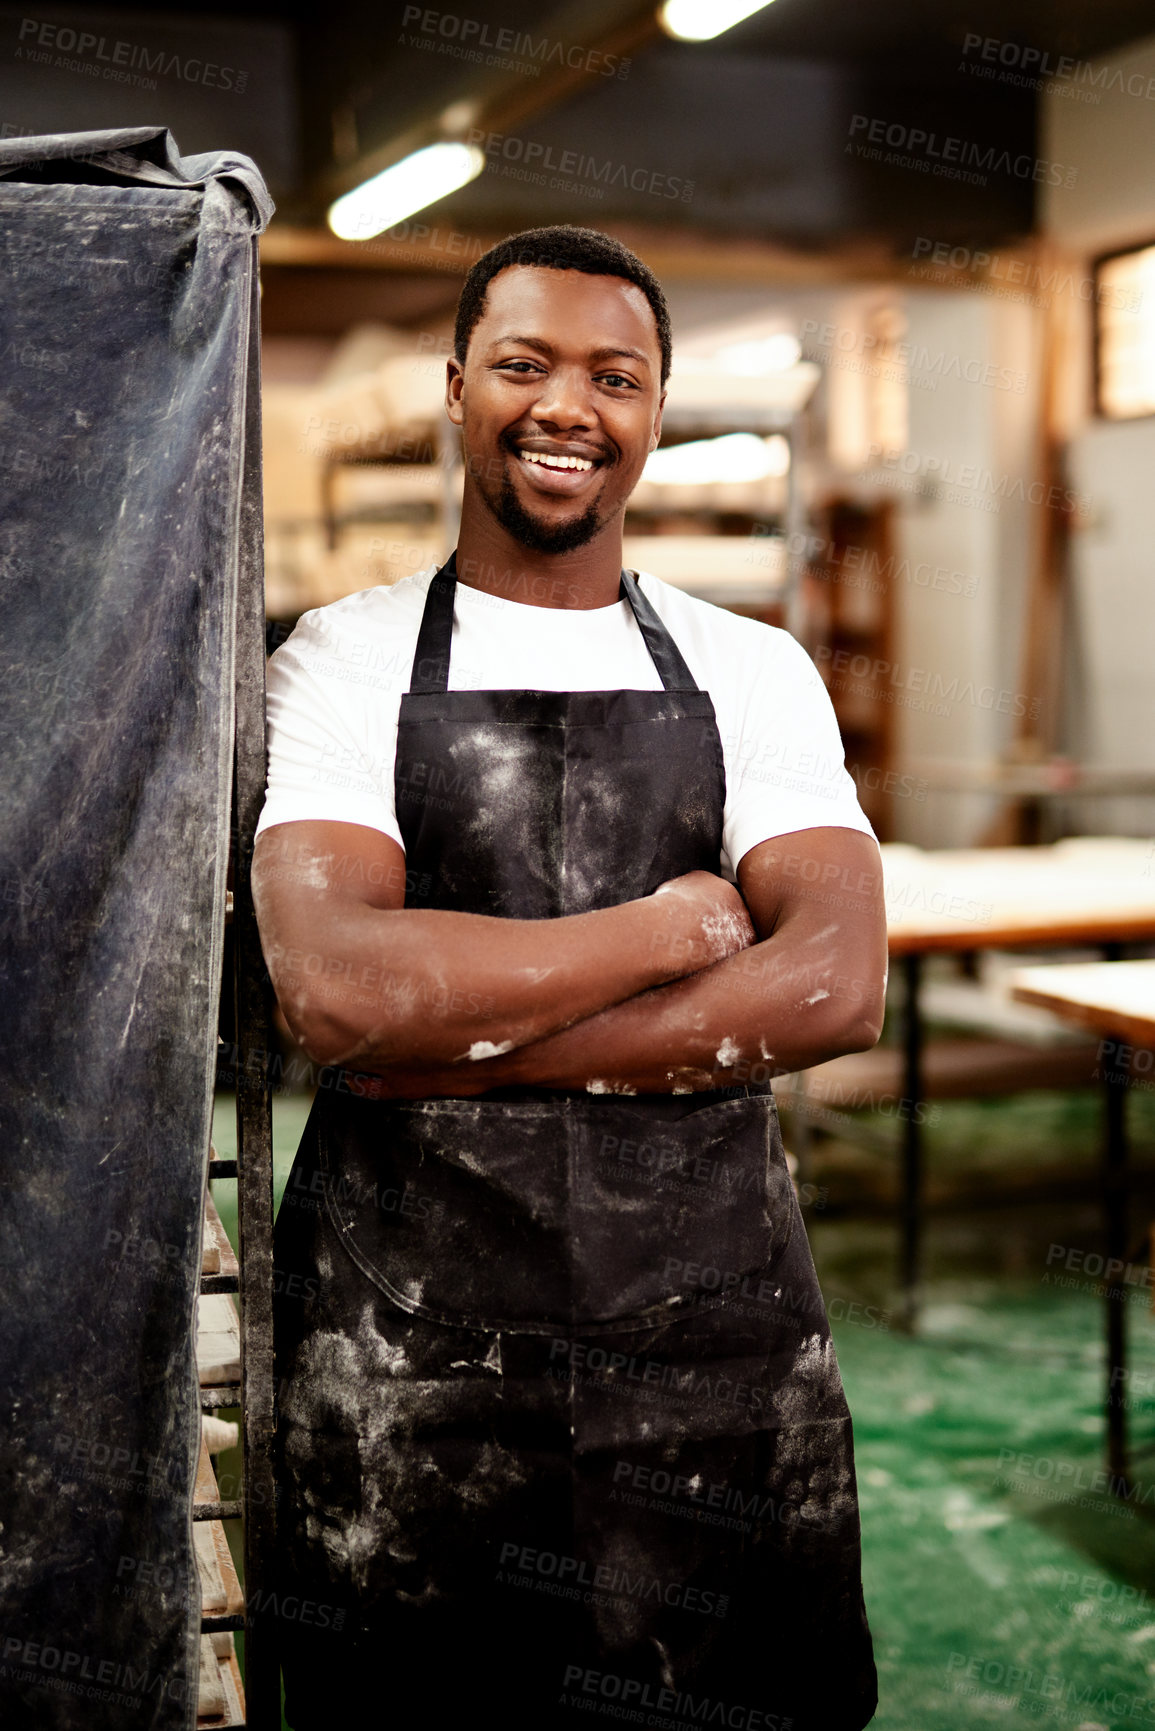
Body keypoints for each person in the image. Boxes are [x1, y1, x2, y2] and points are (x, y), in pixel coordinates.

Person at [253, 224, 887, 1730]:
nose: (568, 408)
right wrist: (671, 930)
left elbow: (834, 983)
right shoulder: (338, 659)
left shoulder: (752, 666)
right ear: (458, 383)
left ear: (656, 410)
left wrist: (464, 1042)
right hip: (408, 1338)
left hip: (708, 1333)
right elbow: (339, 988)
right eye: (526, 365)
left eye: (617, 376)